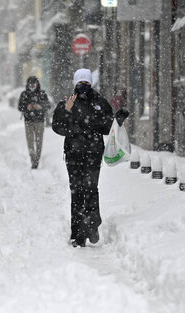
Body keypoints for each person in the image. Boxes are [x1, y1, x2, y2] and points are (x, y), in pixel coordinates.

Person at [52, 69, 129, 247]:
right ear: (75, 84)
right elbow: (58, 127)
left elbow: (107, 127)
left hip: (93, 154)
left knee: (91, 189)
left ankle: (92, 225)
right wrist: (67, 112)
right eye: (80, 83)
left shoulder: (100, 103)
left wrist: (118, 119)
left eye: (86, 83)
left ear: (90, 83)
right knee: (77, 193)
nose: (83, 87)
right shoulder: (66, 103)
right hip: (73, 155)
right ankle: (77, 234)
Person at [18, 76, 51, 169]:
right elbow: (20, 107)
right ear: (28, 84)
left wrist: (40, 107)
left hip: (40, 121)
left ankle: (37, 159)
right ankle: (33, 160)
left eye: (34, 83)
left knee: (39, 141)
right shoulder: (24, 94)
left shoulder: (42, 94)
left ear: (37, 84)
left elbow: (48, 106)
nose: (32, 85)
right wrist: (26, 107)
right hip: (28, 121)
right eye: (30, 84)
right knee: (30, 142)